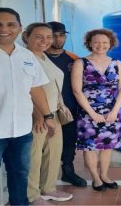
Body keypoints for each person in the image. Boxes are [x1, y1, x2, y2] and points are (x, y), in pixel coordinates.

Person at [0, 7, 56, 205]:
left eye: (10, 24)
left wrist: (48, 116)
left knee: (20, 177)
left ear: (19, 28)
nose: (4, 29)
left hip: (22, 132)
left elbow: (36, 88)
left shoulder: (27, 56)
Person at [22, 23, 73, 205]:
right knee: (34, 155)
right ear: (26, 36)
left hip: (52, 113)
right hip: (37, 115)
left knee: (53, 152)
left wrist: (52, 114)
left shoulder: (43, 56)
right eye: (39, 36)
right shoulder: (24, 57)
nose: (45, 41)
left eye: (49, 37)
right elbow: (27, 89)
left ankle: (48, 188)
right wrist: (40, 115)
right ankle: (32, 195)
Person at [71, 29, 121, 191]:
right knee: (90, 147)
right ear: (89, 43)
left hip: (112, 111)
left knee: (107, 146)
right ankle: (96, 177)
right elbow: (77, 91)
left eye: (104, 42)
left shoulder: (117, 63)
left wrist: (115, 111)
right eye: (96, 42)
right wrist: (92, 113)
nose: (100, 45)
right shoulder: (80, 63)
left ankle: (105, 175)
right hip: (88, 112)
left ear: (110, 44)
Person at [46, 21, 87, 187]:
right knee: (45, 146)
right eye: (53, 36)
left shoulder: (74, 59)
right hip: (45, 110)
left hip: (69, 109)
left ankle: (68, 171)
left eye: (61, 35)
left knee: (69, 142)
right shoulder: (37, 57)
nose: (57, 39)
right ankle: (44, 178)